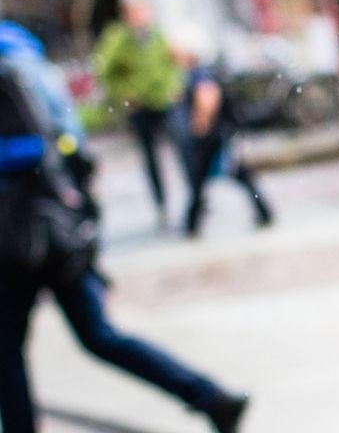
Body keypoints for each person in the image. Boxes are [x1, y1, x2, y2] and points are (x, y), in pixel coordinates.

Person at [0, 21, 250, 433]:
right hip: (58, 223)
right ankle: (209, 396)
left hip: (17, 233)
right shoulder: (29, 58)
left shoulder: (10, 68)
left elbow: (30, 146)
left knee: (8, 347)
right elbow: (71, 145)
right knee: (98, 335)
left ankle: (209, 397)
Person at [171, 30, 274, 238]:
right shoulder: (198, 71)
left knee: (205, 178)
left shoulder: (199, 73)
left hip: (212, 137)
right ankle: (262, 211)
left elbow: (207, 99)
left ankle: (192, 223)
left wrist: (199, 125)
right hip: (217, 134)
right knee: (229, 175)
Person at [94, 0, 183, 224]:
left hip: (164, 101)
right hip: (140, 106)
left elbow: (172, 64)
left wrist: (174, 86)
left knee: (184, 147)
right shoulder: (118, 39)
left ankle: (195, 197)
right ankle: (161, 204)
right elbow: (105, 73)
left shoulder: (156, 35)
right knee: (150, 156)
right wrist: (126, 94)